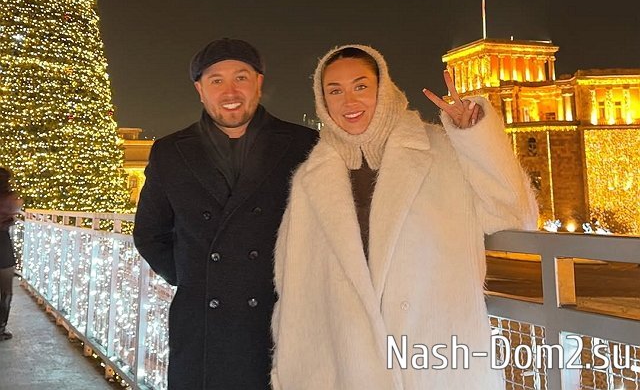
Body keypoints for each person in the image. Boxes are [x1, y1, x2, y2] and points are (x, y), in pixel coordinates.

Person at [271, 44, 538, 390]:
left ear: (383, 88)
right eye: (334, 91)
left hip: (436, 366)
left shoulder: (441, 151)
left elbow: (513, 216)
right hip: (347, 373)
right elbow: (294, 293)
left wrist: (475, 137)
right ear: (323, 101)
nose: (349, 101)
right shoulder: (311, 180)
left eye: (361, 86)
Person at [133, 38, 318, 390]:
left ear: (259, 82)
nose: (230, 91)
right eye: (216, 80)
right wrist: (196, 276)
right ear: (200, 89)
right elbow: (149, 233)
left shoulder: (304, 144)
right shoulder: (170, 151)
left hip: (278, 320)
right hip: (202, 326)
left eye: (241, 78)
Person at [0, 167, 22, 341]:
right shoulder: (10, 198)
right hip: (3, 244)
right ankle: (1, 328)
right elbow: (17, 206)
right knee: (6, 290)